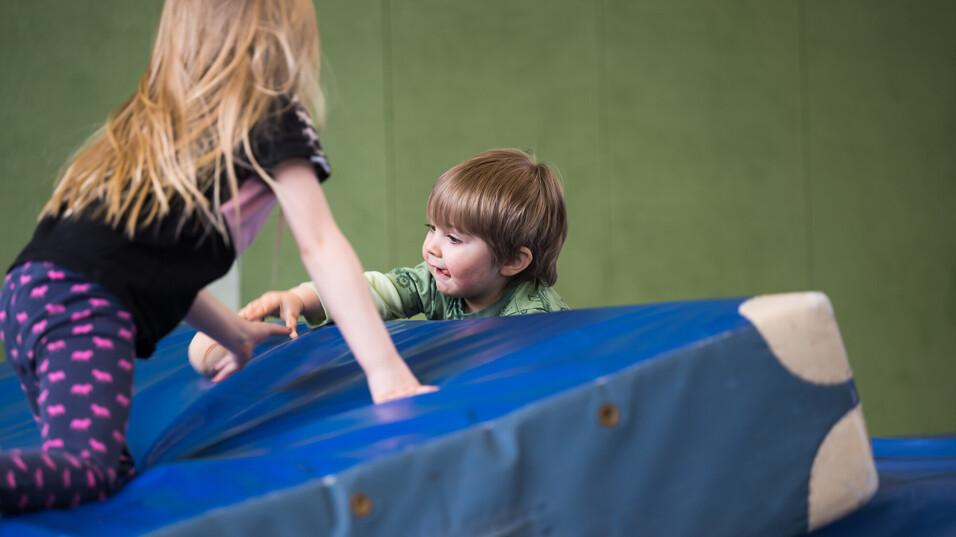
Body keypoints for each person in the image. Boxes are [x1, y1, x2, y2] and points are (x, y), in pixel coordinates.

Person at [0, 0, 432, 514]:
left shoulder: (152, 122)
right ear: (284, 34)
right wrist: (386, 372)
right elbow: (320, 244)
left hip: (26, 294)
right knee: (87, 471)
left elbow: (144, 269)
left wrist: (234, 332)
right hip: (81, 305)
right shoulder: (273, 116)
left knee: (104, 473)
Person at [190, 148, 570, 374]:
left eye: (453, 238)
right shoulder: (435, 283)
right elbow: (374, 291)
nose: (432, 248)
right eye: (432, 229)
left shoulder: (531, 319)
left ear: (513, 261)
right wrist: (300, 299)